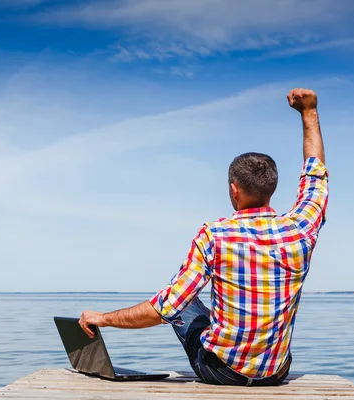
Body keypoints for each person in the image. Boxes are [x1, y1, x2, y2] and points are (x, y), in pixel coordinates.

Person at [78, 88, 329, 386]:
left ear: (233, 190)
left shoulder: (215, 236)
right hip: (275, 373)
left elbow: (165, 308)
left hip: (223, 372)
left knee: (182, 301)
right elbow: (315, 175)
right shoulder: (301, 228)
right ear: (270, 187)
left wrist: (102, 318)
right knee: (190, 302)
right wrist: (309, 112)